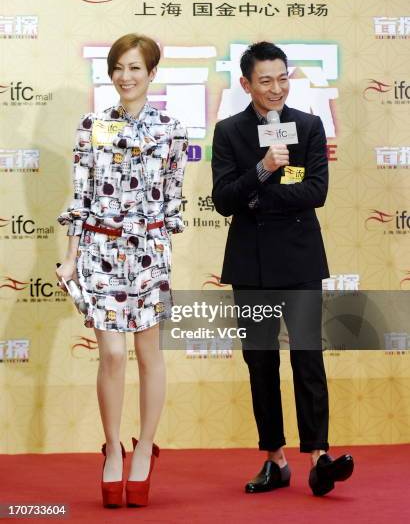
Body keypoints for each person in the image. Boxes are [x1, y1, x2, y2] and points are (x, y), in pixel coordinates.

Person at [211, 41, 353, 496]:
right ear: (246, 84)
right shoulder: (230, 132)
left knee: (309, 357)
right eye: (266, 80)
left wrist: (256, 196)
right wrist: (261, 171)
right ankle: (275, 458)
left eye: (282, 78)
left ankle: (319, 457)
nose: (276, 88)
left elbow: (316, 192)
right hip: (250, 266)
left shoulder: (309, 126)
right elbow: (222, 200)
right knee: (260, 363)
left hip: (300, 258)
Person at [56, 33, 188, 508]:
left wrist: (160, 242)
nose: (125, 76)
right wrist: (71, 256)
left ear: (152, 73)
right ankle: (112, 447)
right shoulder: (91, 125)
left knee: (149, 352)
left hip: (149, 253)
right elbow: (80, 196)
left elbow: (174, 197)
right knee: (111, 353)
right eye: (118, 68)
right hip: (99, 251)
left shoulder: (173, 130)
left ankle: (144, 451)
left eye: (135, 68)